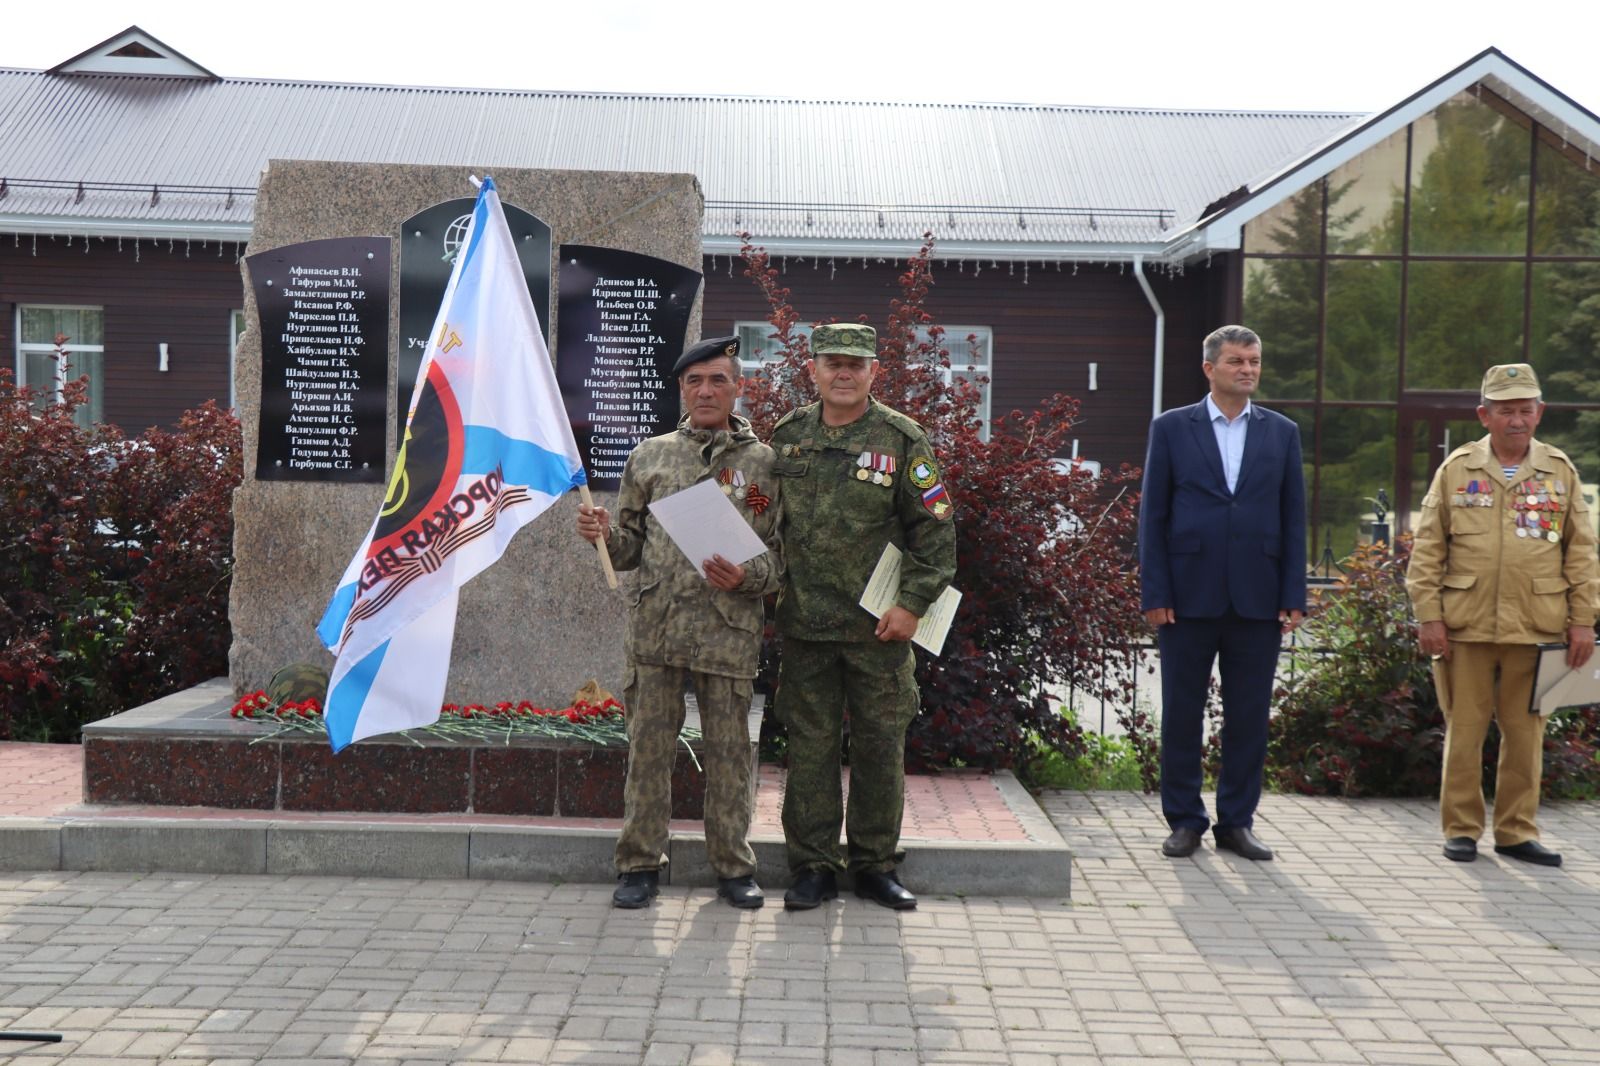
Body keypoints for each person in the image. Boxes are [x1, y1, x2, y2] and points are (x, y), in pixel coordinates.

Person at [576, 335, 782, 908]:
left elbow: (782, 556)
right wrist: (602, 536)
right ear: (681, 390)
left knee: (729, 756)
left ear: (739, 386)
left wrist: (748, 578)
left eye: (719, 380)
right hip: (658, 631)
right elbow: (628, 549)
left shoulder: (765, 462)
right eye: (695, 381)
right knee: (648, 751)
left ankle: (734, 868)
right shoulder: (650, 456)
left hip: (728, 632)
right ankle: (639, 864)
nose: (707, 390)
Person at [769, 322, 957, 911]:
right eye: (832, 363)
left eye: (856, 364)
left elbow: (936, 530)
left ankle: (876, 864)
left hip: (879, 630)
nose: (844, 373)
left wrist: (911, 606)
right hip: (805, 626)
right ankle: (814, 867)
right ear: (813, 371)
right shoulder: (788, 436)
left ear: (875, 371)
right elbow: (762, 510)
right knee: (810, 751)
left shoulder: (902, 440)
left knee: (879, 747)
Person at [1406, 363, 1597, 867]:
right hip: (1465, 625)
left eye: (1525, 410)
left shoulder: (1560, 470)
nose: (1517, 420)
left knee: (1526, 733)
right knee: (1464, 731)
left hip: (1537, 626)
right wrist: (1429, 616)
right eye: (1506, 411)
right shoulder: (1457, 469)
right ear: (1484, 415)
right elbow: (1428, 549)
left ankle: (1516, 831)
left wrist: (1584, 621)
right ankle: (1462, 830)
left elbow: (1582, 553)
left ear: (1540, 413)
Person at [1138, 324, 1306, 861]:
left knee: (1249, 718)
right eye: (1237, 361)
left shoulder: (1282, 433)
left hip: (1257, 600)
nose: (1248, 370)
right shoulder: (1171, 429)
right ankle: (1185, 820)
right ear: (1209, 368)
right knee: (1183, 714)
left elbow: (1293, 518)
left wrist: (1292, 593)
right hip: (1187, 598)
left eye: (1254, 361)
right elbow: (1153, 516)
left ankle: (1237, 822)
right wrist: (1155, 591)